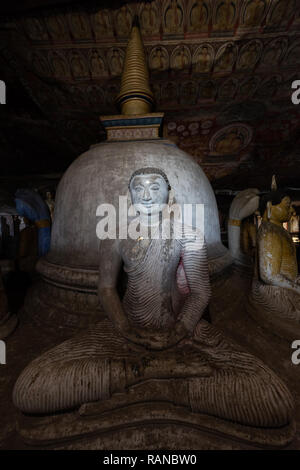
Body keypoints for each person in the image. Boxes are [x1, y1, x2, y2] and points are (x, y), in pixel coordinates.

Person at [14, 168, 293, 431]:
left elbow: (200, 291)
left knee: (274, 398)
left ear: (169, 195)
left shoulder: (188, 234)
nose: (146, 195)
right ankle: (161, 377)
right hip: (125, 328)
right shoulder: (116, 236)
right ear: (130, 196)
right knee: (29, 387)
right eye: (139, 188)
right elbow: (106, 289)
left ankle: (138, 383)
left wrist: (179, 331)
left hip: (183, 329)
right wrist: (125, 329)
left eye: (155, 187)